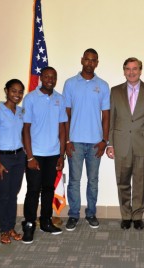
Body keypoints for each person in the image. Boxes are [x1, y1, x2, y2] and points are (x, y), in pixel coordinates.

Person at [107, 57, 144, 230]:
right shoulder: (114, 91)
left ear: (140, 70)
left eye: (135, 69)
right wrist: (109, 143)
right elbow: (111, 119)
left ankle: (137, 215)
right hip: (120, 143)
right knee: (122, 181)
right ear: (124, 71)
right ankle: (125, 215)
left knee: (140, 181)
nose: (131, 72)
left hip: (143, 144)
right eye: (128, 69)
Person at [63, 48, 110, 230]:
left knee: (93, 181)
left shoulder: (103, 85)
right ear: (82, 60)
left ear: (97, 63)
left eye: (94, 60)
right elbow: (65, 115)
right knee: (74, 181)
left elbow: (106, 116)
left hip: (95, 144)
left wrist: (104, 141)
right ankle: (74, 215)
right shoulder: (70, 84)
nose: (90, 63)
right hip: (74, 142)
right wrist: (66, 141)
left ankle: (91, 213)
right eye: (87, 59)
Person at [22, 67, 67, 244]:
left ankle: (46, 221)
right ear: (41, 78)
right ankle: (29, 225)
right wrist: (30, 157)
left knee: (48, 189)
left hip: (53, 153)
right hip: (36, 155)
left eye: (53, 77)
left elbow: (62, 128)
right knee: (33, 190)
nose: (50, 79)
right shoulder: (30, 98)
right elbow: (25, 129)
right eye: (47, 76)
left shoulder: (60, 99)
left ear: (56, 80)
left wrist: (61, 155)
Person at [0, 79, 26, 244]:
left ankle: (11, 228)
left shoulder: (21, 112)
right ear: (6, 91)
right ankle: (3, 230)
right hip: (3, 158)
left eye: (20, 92)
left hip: (19, 158)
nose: (17, 95)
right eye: (13, 91)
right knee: (3, 195)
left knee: (13, 195)